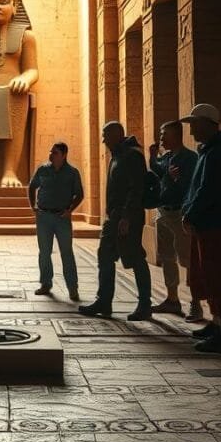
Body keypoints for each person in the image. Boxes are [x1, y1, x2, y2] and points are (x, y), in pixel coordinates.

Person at [180, 103, 221, 353]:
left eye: (194, 124)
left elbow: (208, 190)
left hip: (215, 223)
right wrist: (190, 212)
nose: (192, 129)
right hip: (206, 223)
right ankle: (217, 324)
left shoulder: (220, 152)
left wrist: (191, 213)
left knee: (220, 277)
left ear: (208, 123)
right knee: (208, 276)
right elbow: (196, 188)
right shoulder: (209, 150)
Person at [79, 121, 151, 320]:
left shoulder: (132, 155)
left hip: (127, 218)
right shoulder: (118, 155)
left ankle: (145, 304)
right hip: (114, 218)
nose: (103, 140)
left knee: (135, 257)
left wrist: (127, 216)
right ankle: (104, 301)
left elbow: (136, 188)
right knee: (104, 256)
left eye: (105, 135)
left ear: (117, 135)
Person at [147, 120, 204, 320]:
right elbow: (159, 171)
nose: (161, 138)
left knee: (188, 260)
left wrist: (172, 179)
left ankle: (195, 303)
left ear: (176, 136)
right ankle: (172, 299)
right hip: (163, 212)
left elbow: (190, 187)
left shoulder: (190, 158)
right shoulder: (168, 156)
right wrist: (153, 157)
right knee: (167, 256)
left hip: (180, 214)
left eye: (164, 134)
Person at [28, 142, 83, 301]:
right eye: (50, 152)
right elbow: (32, 187)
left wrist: (70, 210)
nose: (51, 155)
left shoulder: (72, 173)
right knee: (44, 252)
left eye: (55, 153)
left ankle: (73, 288)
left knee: (67, 253)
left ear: (64, 155)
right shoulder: (43, 169)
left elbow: (79, 195)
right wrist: (33, 206)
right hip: (44, 217)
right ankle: (46, 284)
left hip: (62, 218)